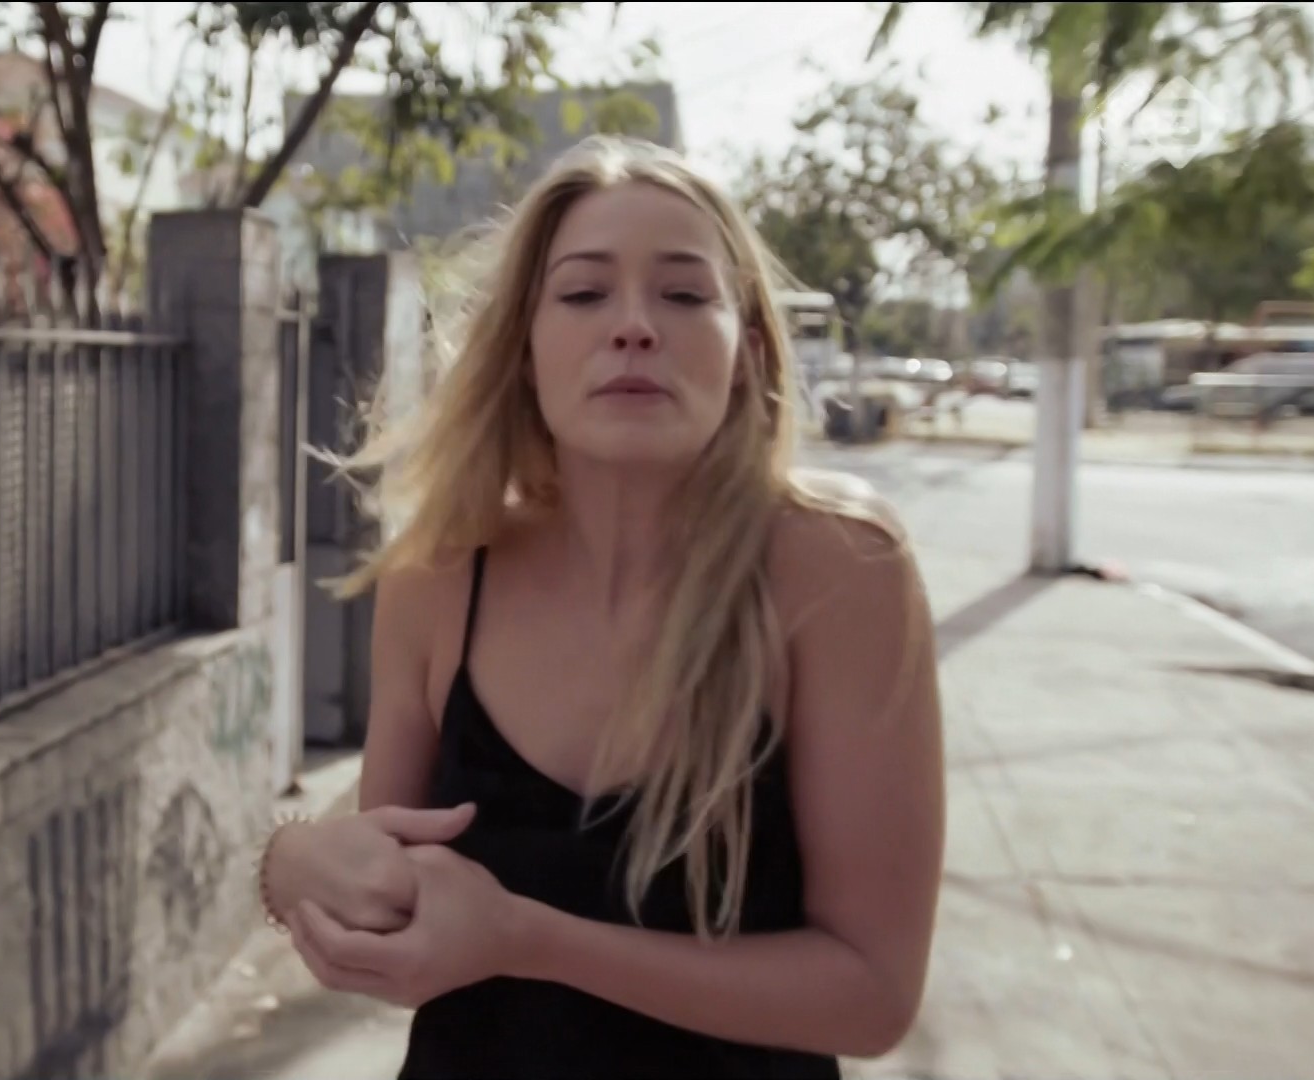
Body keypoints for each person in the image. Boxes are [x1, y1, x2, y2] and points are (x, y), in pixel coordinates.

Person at [255, 135, 946, 1080]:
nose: (633, 326)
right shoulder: (440, 573)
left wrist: (529, 939)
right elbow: (394, 914)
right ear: (524, 349)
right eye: (583, 293)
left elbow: (871, 995)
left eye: (684, 294)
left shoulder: (838, 568)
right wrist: (288, 865)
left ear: (745, 352)